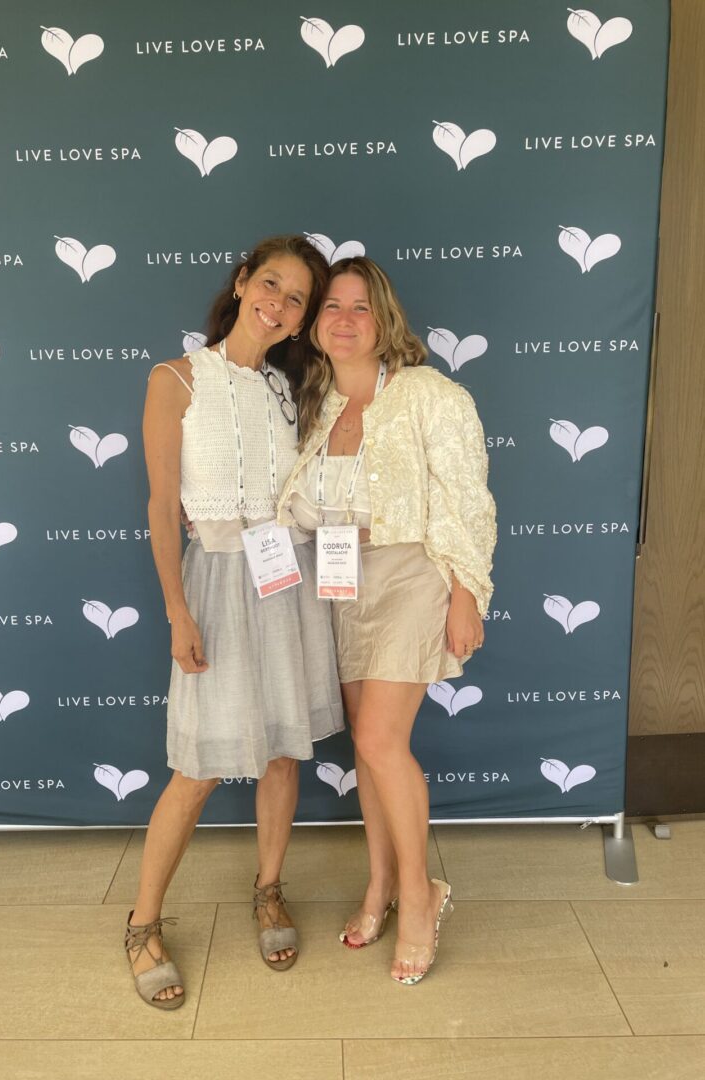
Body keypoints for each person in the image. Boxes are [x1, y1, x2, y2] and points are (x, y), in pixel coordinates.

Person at [125, 235, 344, 1009]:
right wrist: (176, 610)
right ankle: (142, 922)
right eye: (271, 283)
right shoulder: (177, 379)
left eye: (296, 298)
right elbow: (159, 505)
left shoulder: (290, 391)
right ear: (243, 282)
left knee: (284, 752)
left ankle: (268, 890)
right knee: (197, 771)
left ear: (300, 321)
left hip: (286, 582)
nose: (278, 303)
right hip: (215, 583)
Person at [276, 256, 496, 985]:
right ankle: (380, 885)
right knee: (366, 750)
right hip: (340, 582)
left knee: (379, 738)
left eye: (360, 307)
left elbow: (468, 499)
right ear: (315, 325)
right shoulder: (315, 403)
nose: (343, 318)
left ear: (385, 320)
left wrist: (467, 591)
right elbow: (297, 506)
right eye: (331, 305)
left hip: (412, 574)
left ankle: (421, 896)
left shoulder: (431, 395)